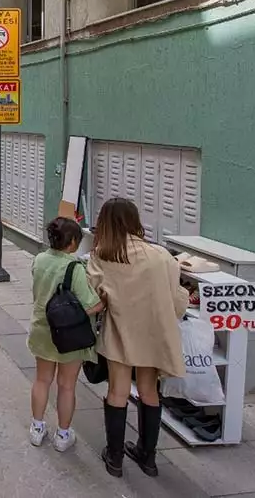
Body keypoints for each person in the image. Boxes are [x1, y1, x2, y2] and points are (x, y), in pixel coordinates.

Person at [89, 198, 188, 478]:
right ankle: (148, 457)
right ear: (134, 221)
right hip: (154, 334)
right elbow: (177, 301)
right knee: (149, 391)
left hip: (120, 334)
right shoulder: (161, 256)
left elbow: (94, 294)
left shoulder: (102, 256)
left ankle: (115, 457)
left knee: (117, 392)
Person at [27, 217, 103, 452]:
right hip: (69, 337)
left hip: (42, 329)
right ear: (72, 243)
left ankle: (37, 428)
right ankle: (63, 435)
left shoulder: (39, 259)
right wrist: (104, 302)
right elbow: (88, 305)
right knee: (66, 386)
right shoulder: (75, 268)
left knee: (42, 380)